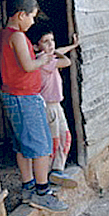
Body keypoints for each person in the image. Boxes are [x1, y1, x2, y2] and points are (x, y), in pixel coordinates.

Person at [0, 0, 68, 211]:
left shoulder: (4, 35)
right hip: (24, 97)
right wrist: (43, 60)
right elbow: (27, 66)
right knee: (41, 147)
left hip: (14, 96)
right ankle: (42, 193)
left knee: (22, 145)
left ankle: (28, 186)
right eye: (32, 17)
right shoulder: (17, 36)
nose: (33, 21)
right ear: (20, 15)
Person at [27, 23, 80, 188]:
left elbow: (58, 53)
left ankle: (57, 170)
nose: (51, 44)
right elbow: (66, 61)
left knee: (65, 137)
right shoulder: (43, 61)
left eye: (52, 40)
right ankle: (48, 173)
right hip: (48, 107)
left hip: (56, 105)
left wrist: (72, 46)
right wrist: (55, 52)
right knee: (53, 140)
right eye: (46, 41)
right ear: (36, 46)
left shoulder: (46, 58)